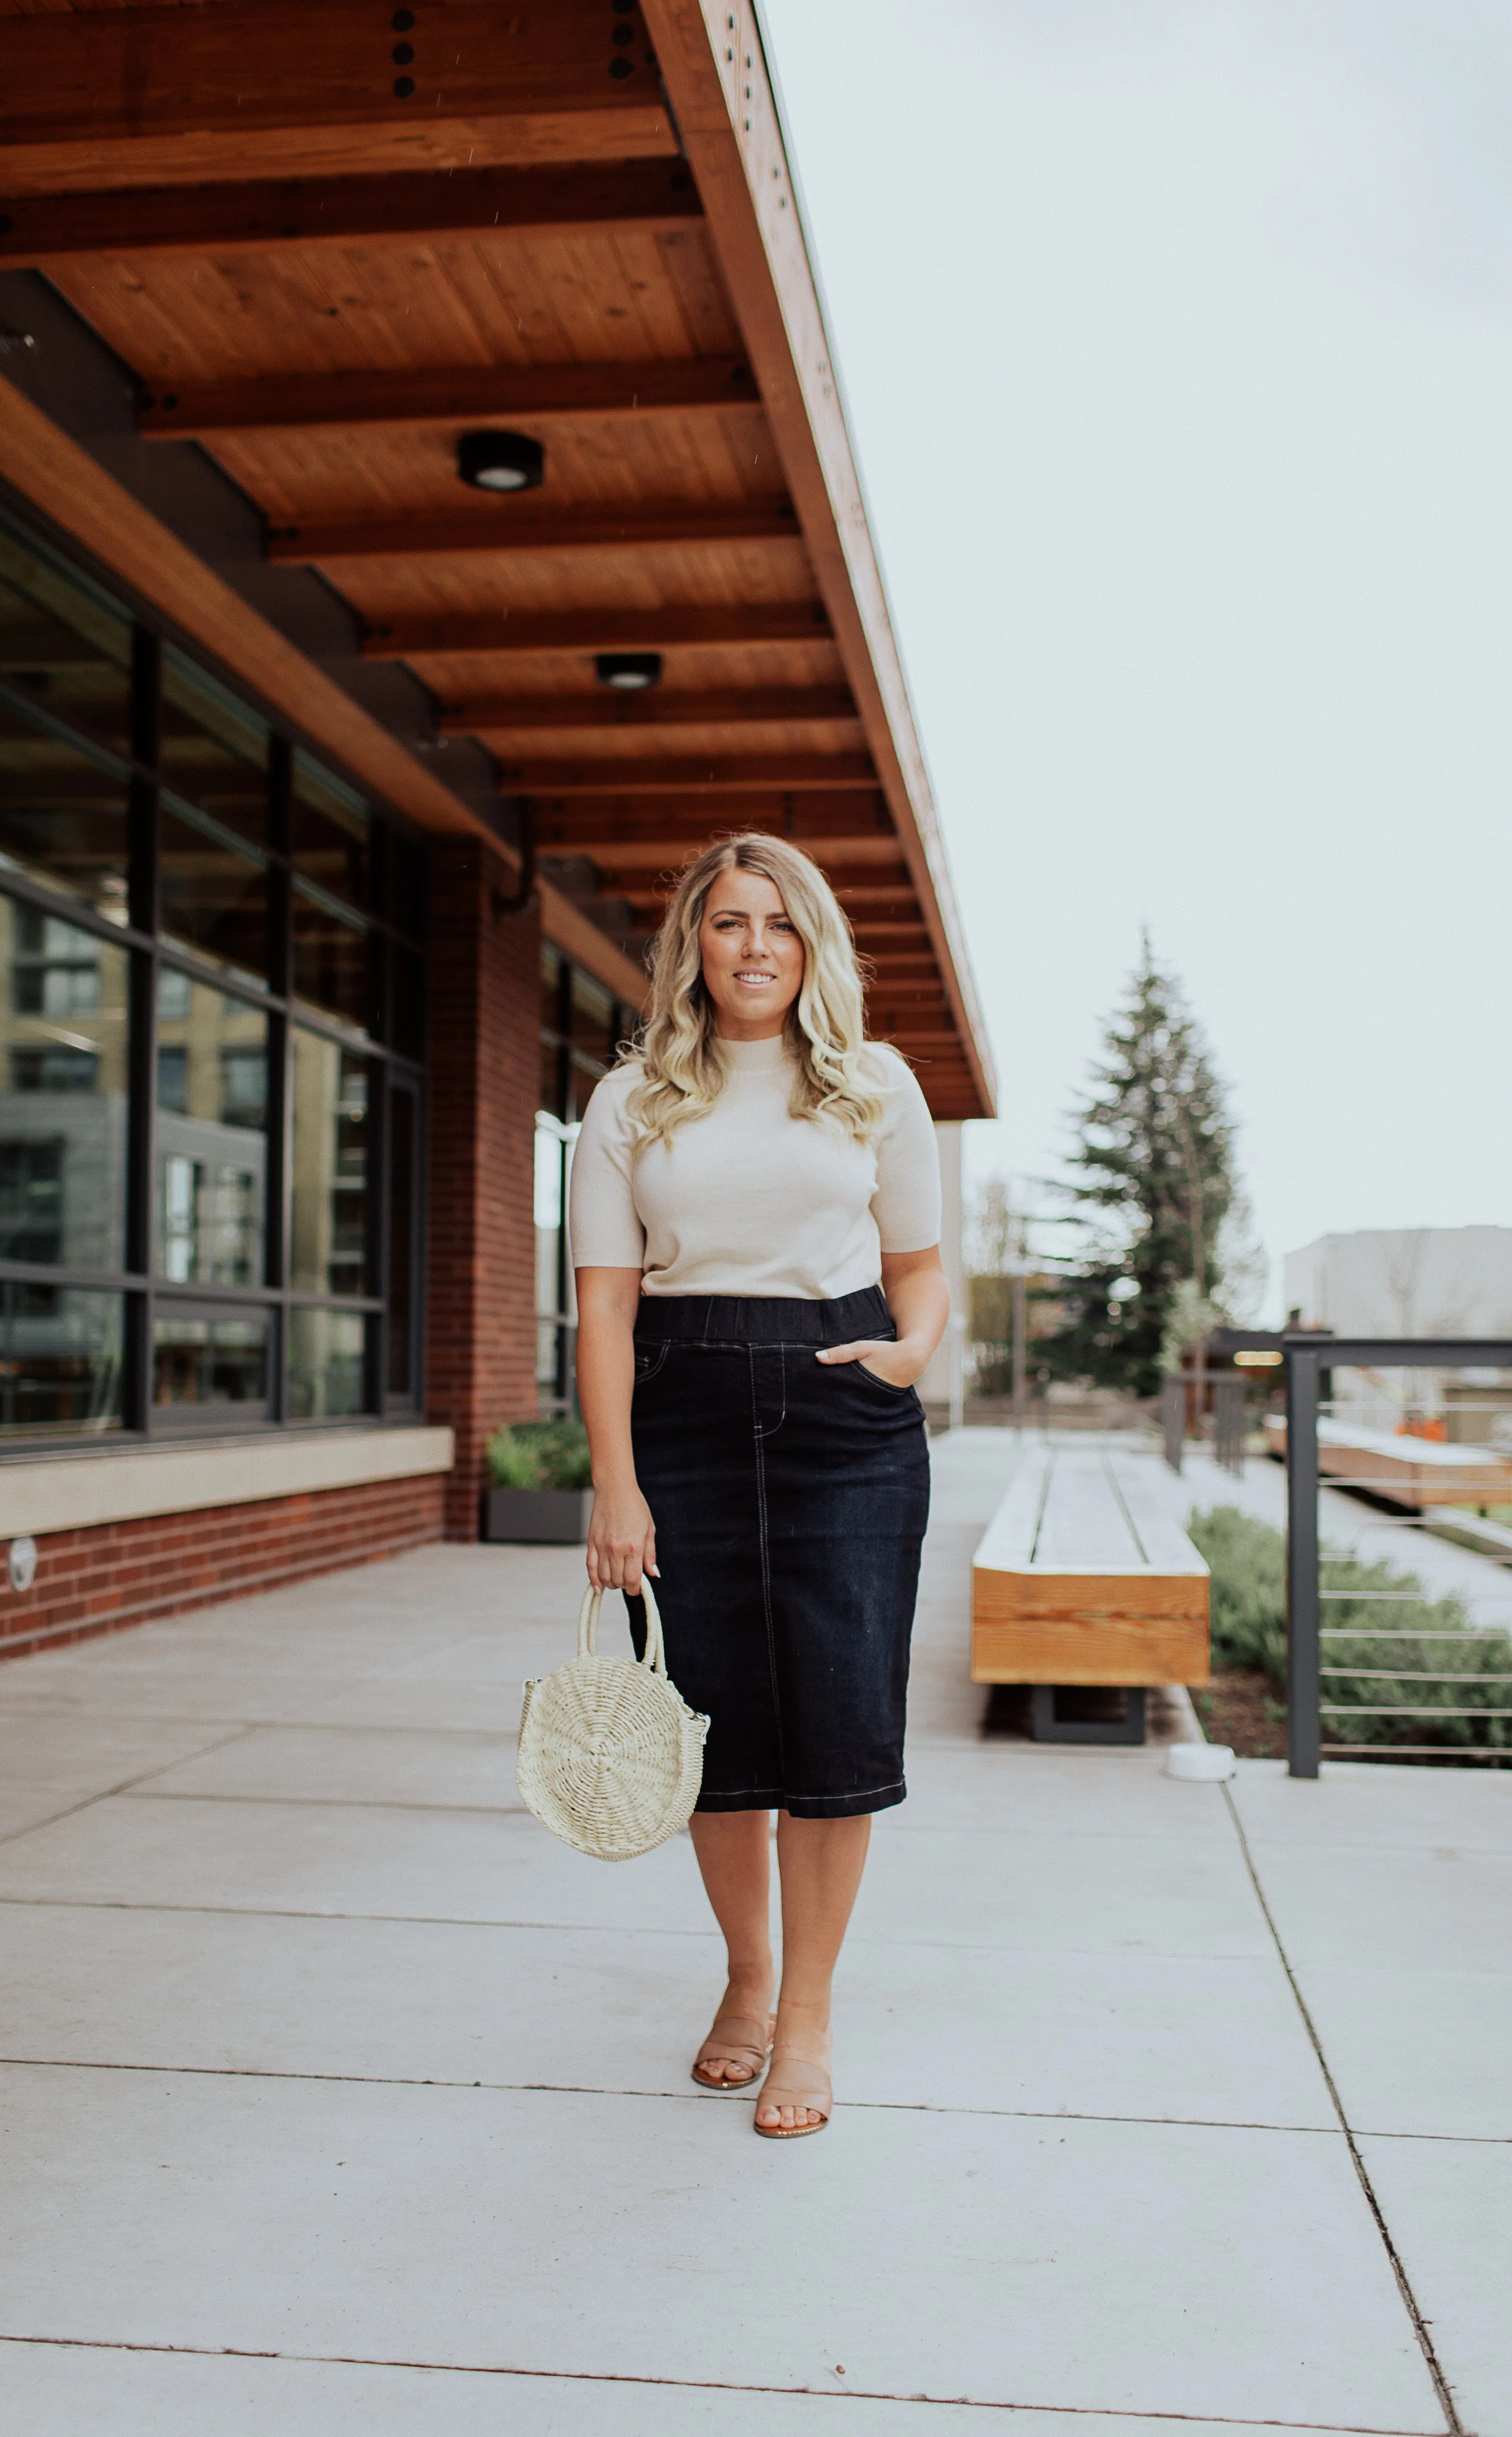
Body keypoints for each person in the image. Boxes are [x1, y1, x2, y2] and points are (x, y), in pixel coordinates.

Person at [570, 833, 947, 2138]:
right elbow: (604, 1312)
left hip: (845, 1408)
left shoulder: (876, 1085)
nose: (754, 946)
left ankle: (809, 2018)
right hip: (681, 1409)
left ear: (813, 943)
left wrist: (912, 1350)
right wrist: (613, 1482)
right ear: (694, 943)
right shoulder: (630, 1101)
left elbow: (923, 1265)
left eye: (779, 924)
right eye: (728, 922)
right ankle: (746, 1977)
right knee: (714, 1727)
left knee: (836, 1720)